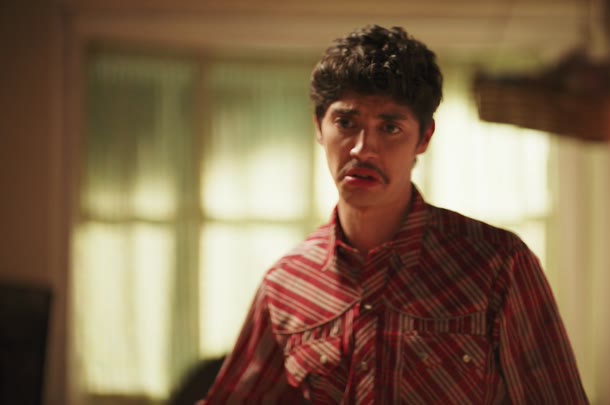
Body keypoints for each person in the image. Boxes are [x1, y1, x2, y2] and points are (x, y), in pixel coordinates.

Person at [201, 24, 588, 404]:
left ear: (424, 137)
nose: (362, 149)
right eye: (346, 123)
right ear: (319, 126)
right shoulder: (288, 283)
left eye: (389, 127)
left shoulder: (497, 264)